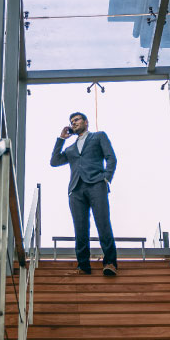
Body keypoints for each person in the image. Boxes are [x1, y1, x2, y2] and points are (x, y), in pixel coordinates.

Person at [50, 111, 118, 276]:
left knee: (102, 223)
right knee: (80, 228)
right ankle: (83, 266)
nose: (74, 123)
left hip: (96, 184)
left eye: (77, 120)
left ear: (86, 122)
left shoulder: (98, 136)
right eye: (72, 121)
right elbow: (54, 161)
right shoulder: (71, 148)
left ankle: (110, 263)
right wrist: (61, 139)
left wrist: (106, 179)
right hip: (76, 190)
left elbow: (111, 158)